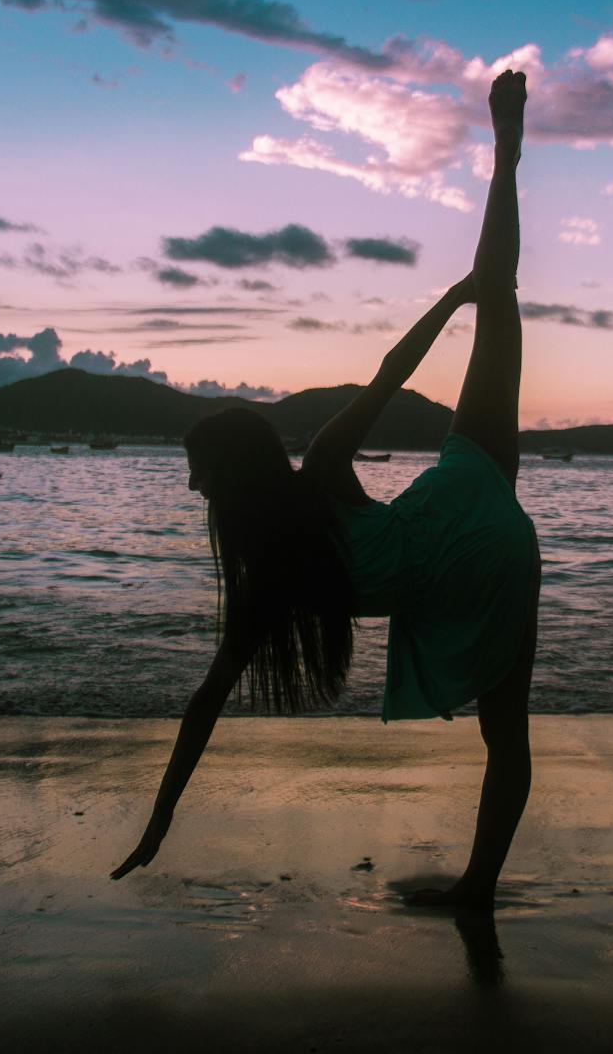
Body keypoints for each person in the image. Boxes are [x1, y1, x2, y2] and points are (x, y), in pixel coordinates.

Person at [111, 71, 540, 912]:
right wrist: (453, 297)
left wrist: (160, 822)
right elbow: (389, 374)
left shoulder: (265, 584)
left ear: (228, 477)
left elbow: (204, 708)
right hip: (464, 500)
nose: (197, 489)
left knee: (505, 734)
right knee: (499, 307)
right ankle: (505, 158)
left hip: (478, 564)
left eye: (200, 476)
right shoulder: (321, 471)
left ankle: (478, 890)